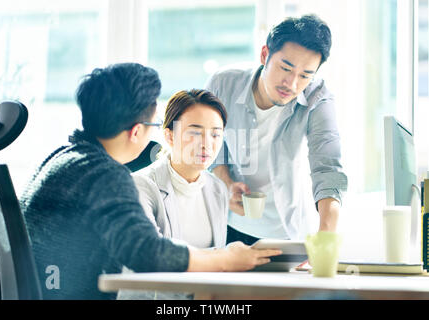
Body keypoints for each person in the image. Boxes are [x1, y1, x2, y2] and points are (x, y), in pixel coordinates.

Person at [20, 63, 281, 300]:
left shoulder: (63, 159)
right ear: (136, 131)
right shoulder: (106, 175)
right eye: (153, 124)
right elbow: (147, 252)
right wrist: (225, 259)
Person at [205, 14, 348, 245]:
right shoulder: (223, 84)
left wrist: (325, 239)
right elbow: (211, 145)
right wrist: (226, 183)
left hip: (286, 232)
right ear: (265, 55)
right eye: (285, 68)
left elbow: (328, 169)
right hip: (227, 225)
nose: (291, 84)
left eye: (304, 76)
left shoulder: (318, 99)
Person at [118, 89, 229, 300]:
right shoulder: (139, 186)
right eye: (195, 132)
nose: (207, 143)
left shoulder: (217, 189)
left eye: (216, 134)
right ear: (169, 135)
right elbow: (151, 259)